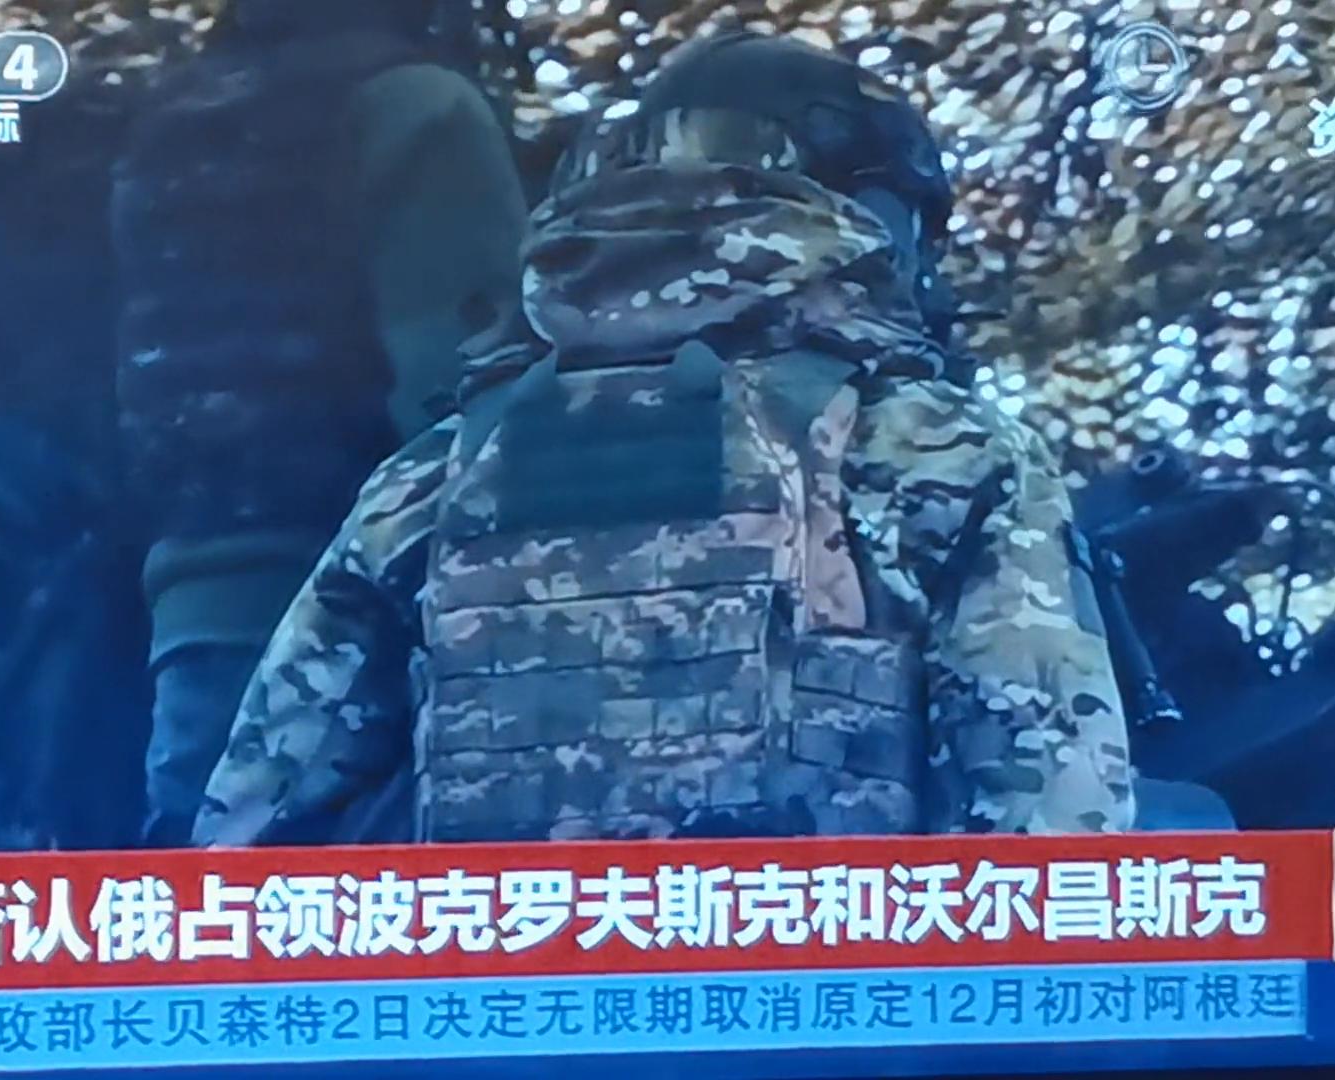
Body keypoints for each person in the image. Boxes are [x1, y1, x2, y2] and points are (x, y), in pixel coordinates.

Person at [193, 32, 1135, 847]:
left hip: (506, 998)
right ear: (881, 225)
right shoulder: (942, 452)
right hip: (825, 994)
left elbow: (248, 847)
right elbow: (1056, 834)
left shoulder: (431, 476)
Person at [110, 0, 527, 846]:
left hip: (198, 608)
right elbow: (457, 393)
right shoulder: (417, 106)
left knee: (211, 906)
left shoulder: (172, 123)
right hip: (375, 615)